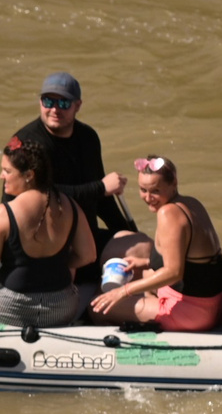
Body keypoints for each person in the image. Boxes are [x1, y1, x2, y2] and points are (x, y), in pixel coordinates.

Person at [16, 73, 134, 281]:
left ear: (77, 105)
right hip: (44, 243)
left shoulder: (88, 138)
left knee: (140, 246)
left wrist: (128, 232)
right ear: (40, 102)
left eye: (63, 102)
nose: (54, 109)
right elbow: (40, 195)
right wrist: (100, 188)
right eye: (48, 101)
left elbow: (102, 201)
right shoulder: (27, 143)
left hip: (85, 241)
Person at [86, 157, 222, 330]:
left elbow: (174, 272)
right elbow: (188, 258)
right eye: (143, 190)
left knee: (98, 307)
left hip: (195, 310)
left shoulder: (168, 214)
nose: (148, 197)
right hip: (216, 299)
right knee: (139, 275)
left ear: (174, 183)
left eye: (155, 191)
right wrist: (145, 263)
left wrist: (124, 291)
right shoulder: (190, 203)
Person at [0, 136, 96, 327]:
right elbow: (88, 255)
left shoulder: (4, 212)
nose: (1, 176)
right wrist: (55, 265)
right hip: (60, 309)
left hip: (9, 309)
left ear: (29, 175)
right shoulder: (70, 206)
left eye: (7, 171)